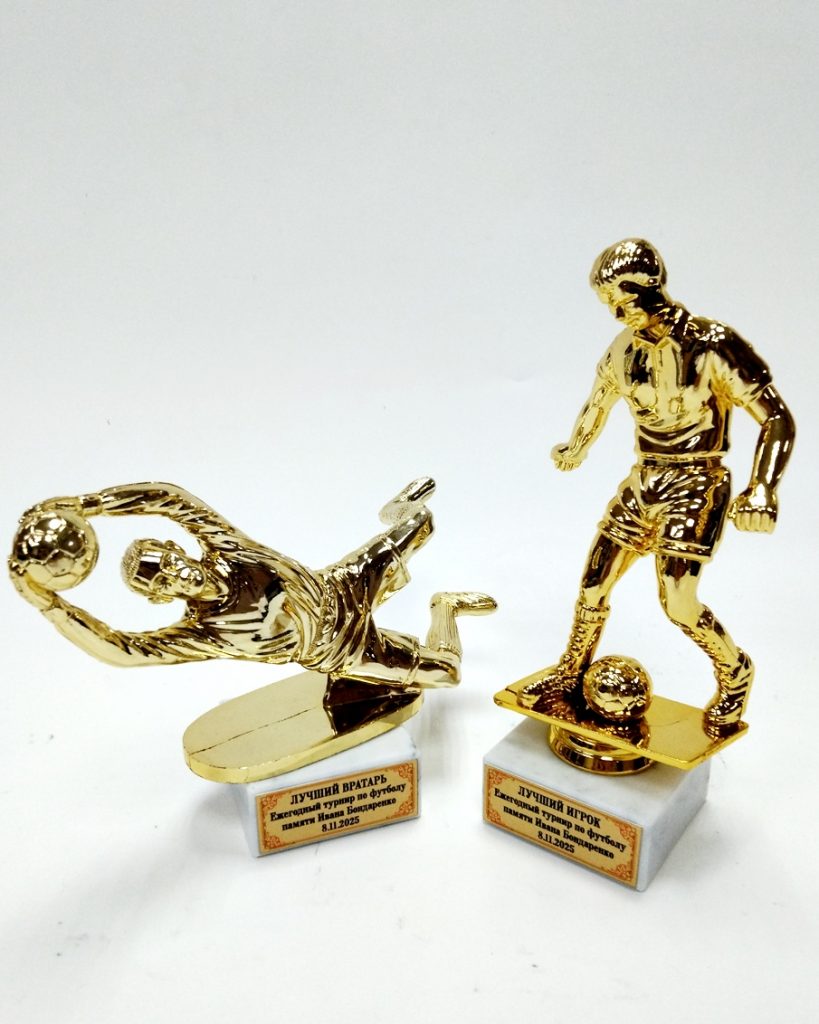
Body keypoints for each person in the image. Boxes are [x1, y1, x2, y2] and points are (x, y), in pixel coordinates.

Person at [520, 239, 794, 733]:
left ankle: (734, 672)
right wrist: (575, 448)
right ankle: (570, 673)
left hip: (697, 482)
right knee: (593, 583)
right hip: (643, 479)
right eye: (606, 302)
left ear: (646, 285)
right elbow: (598, 403)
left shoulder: (711, 343)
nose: (614, 311)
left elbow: (775, 417)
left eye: (618, 297)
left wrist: (763, 487)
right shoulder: (622, 350)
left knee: (678, 601)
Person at [10, 478, 495, 690]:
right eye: (163, 579)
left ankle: (395, 509)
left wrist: (87, 504)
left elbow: (170, 499)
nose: (176, 572)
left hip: (343, 585)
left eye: (170, 560)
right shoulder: (203, 633)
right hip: (342, 651)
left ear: (178, 548)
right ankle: (445, 607)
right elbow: (124, 652)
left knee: (421, 523)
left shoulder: (228, 550)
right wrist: (46, 604)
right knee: (447, 674)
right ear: (161, 597)